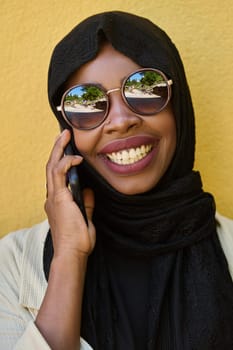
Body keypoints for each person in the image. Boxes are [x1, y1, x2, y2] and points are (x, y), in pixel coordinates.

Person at [0, 10, 233, 350]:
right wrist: (68, 257)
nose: (121, 121)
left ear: (178, 104)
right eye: (87, 103)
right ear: (67, 130)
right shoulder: (9, 266)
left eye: (144, 88)